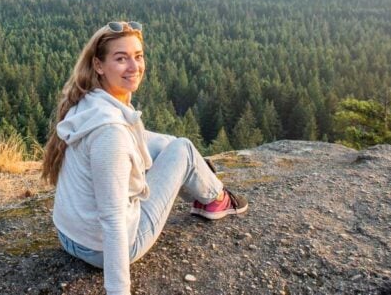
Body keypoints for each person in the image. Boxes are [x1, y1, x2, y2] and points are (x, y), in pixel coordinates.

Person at [42, 21, 248, 295]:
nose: (134, 66)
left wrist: (173, 150)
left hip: (69, 236)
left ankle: (198, 175)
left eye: (138, 56)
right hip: (100, 250)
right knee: (184, 149)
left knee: (175, 147)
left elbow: (140, 137)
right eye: (121, 58)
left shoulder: (89, 102)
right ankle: (215, 199)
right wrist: (118, 290)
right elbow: (113, 219)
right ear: (99, 65)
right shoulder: (110, 134)